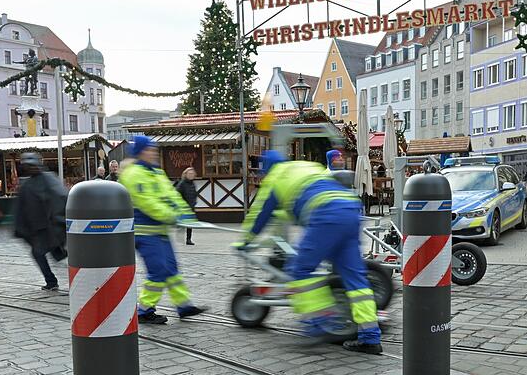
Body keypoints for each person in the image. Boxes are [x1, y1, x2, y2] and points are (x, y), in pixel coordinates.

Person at [237, 151, 381, 355]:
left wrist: (246, 241)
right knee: (355, 278)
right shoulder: (307, 166)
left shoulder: (275, 178)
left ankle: (320, 323)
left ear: (266, 170)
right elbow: (301, 199)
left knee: (300, 269)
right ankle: (370, 337)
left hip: (326, 214)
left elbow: (261, 215)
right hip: (350, 210)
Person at [120, 136, 205, 324]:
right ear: (140, 152)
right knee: (158, 271)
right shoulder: (133, 174)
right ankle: (144, 310)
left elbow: (172, 196)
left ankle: (183, 306)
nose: (154, 152)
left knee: (172, 269)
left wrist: (187, 215)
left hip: (160, 231)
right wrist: (172, 216)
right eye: (149, 149)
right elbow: (147, 203)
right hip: (144, 233)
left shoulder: (156, 172)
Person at [13, 152, 68, 290]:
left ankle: (52, 281)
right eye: (27, 166)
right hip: (39, 229)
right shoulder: (27, 184)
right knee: (41, 253)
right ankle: (51, 281)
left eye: (32, 165)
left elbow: (60, 198)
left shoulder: (48, 179)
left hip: (51, 227)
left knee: (45, 252)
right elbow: (22, 206)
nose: (30, 168)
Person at [175, 167, 198, 245]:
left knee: (190, 224)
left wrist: (194, 202)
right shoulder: (182, 183)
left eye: (192, 174)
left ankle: (188, 239)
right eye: (189, 173)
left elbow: (194, 194)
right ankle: (179, 232)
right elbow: (177, 194)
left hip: (191, 206)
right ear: (185, 174)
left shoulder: (193, 184)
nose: (191, 175)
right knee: (182, 222)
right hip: (183, 206)